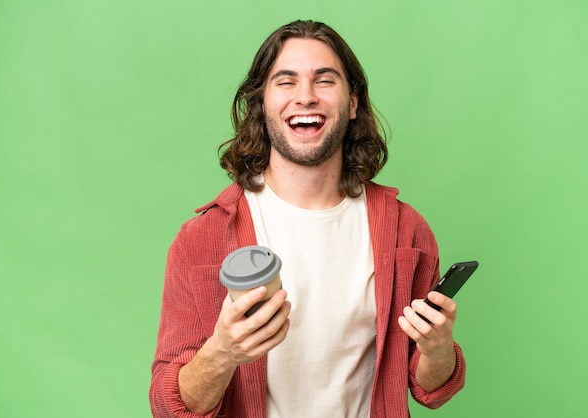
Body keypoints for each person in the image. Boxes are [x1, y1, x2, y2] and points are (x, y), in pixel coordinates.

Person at [150, 19, 466, 418]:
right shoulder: (204, 237)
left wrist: (437, 349)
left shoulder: (405, 229)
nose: (305, 97)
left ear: (352, 103)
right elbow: (168, 407)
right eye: (285, 81)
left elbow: (431, 389)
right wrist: (222, 352)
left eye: (324, 81)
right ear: (261, 103)